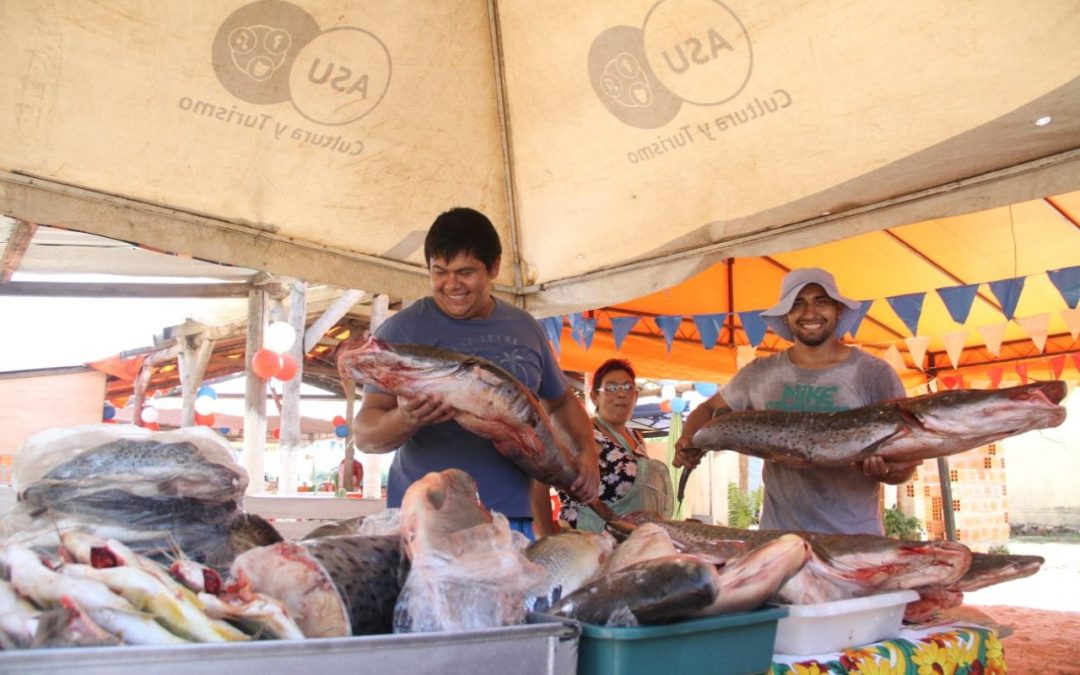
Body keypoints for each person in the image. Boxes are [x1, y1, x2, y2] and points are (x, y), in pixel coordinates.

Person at [352, 207, 600, 540]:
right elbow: (366, 436)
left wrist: (587, 454)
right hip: (428, 520)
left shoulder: (524, 328)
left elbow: (561, 402)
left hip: (511, 518)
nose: (451, 284)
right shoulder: (401, 331)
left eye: (465, 272)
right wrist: (407, 417)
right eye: (439, 271)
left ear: (494, 266)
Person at [674, 268, 919, 536]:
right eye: (797, 303)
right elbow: (709, 409)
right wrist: (688, 438)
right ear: (787, 315)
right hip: (779, 542)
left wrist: (885, 472)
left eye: (821, 301)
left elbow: (905, 467)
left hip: (853, 543)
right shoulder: (760, 372)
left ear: (837, 310)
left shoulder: (874, 374)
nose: (810, 312)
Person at [558, 358, 673, 531]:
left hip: (633, 542)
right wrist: (546, 533)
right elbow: (540, 482)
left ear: (635, 396)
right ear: (595, 397)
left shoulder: (637, 437)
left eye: (628, 387)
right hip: (589, 542)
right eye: (611, 388)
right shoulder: (583, 432)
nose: (621, 394)